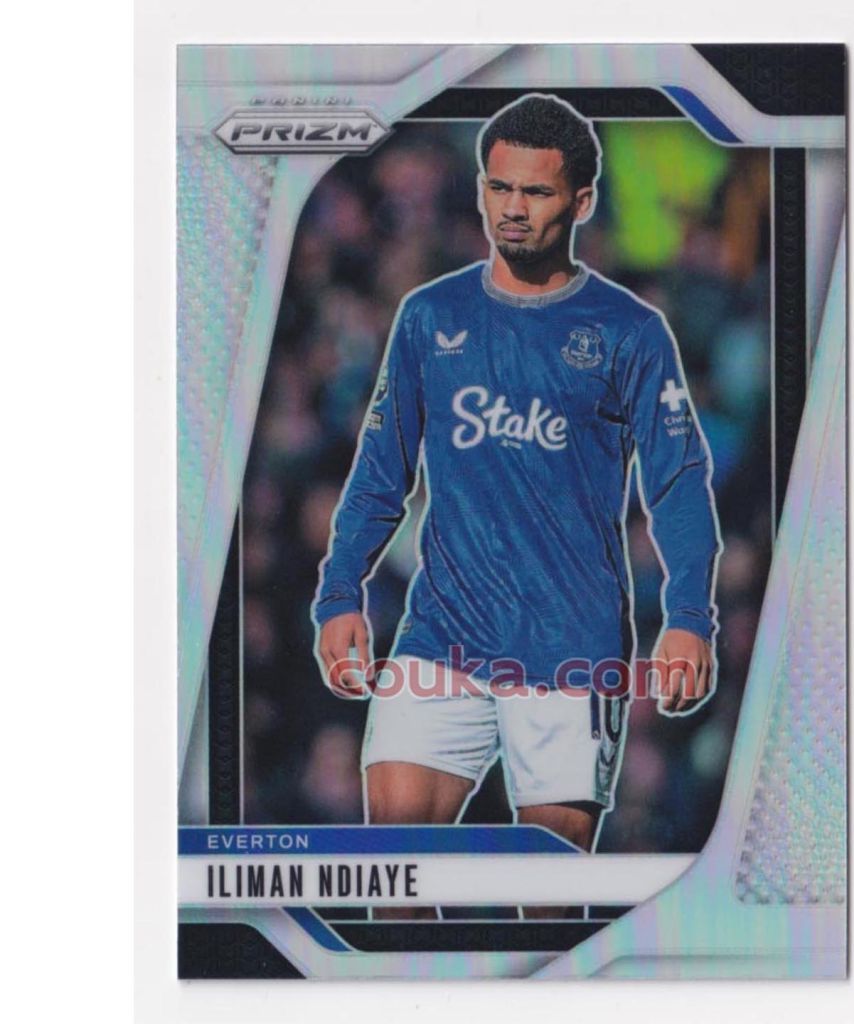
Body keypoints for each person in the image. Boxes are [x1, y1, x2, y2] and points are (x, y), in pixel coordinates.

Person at [313, 94, 721, 863]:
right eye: (499, 187)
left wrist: (690, 616)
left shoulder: (629, 332)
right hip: (442, 635)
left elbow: (677, 481)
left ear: (581, 202)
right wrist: (340, 593)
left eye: (536, 191)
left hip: (569, 647)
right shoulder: (429, 316)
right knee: (392, 878)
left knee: (548, 895)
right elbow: (381, 468)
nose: (512, 208)